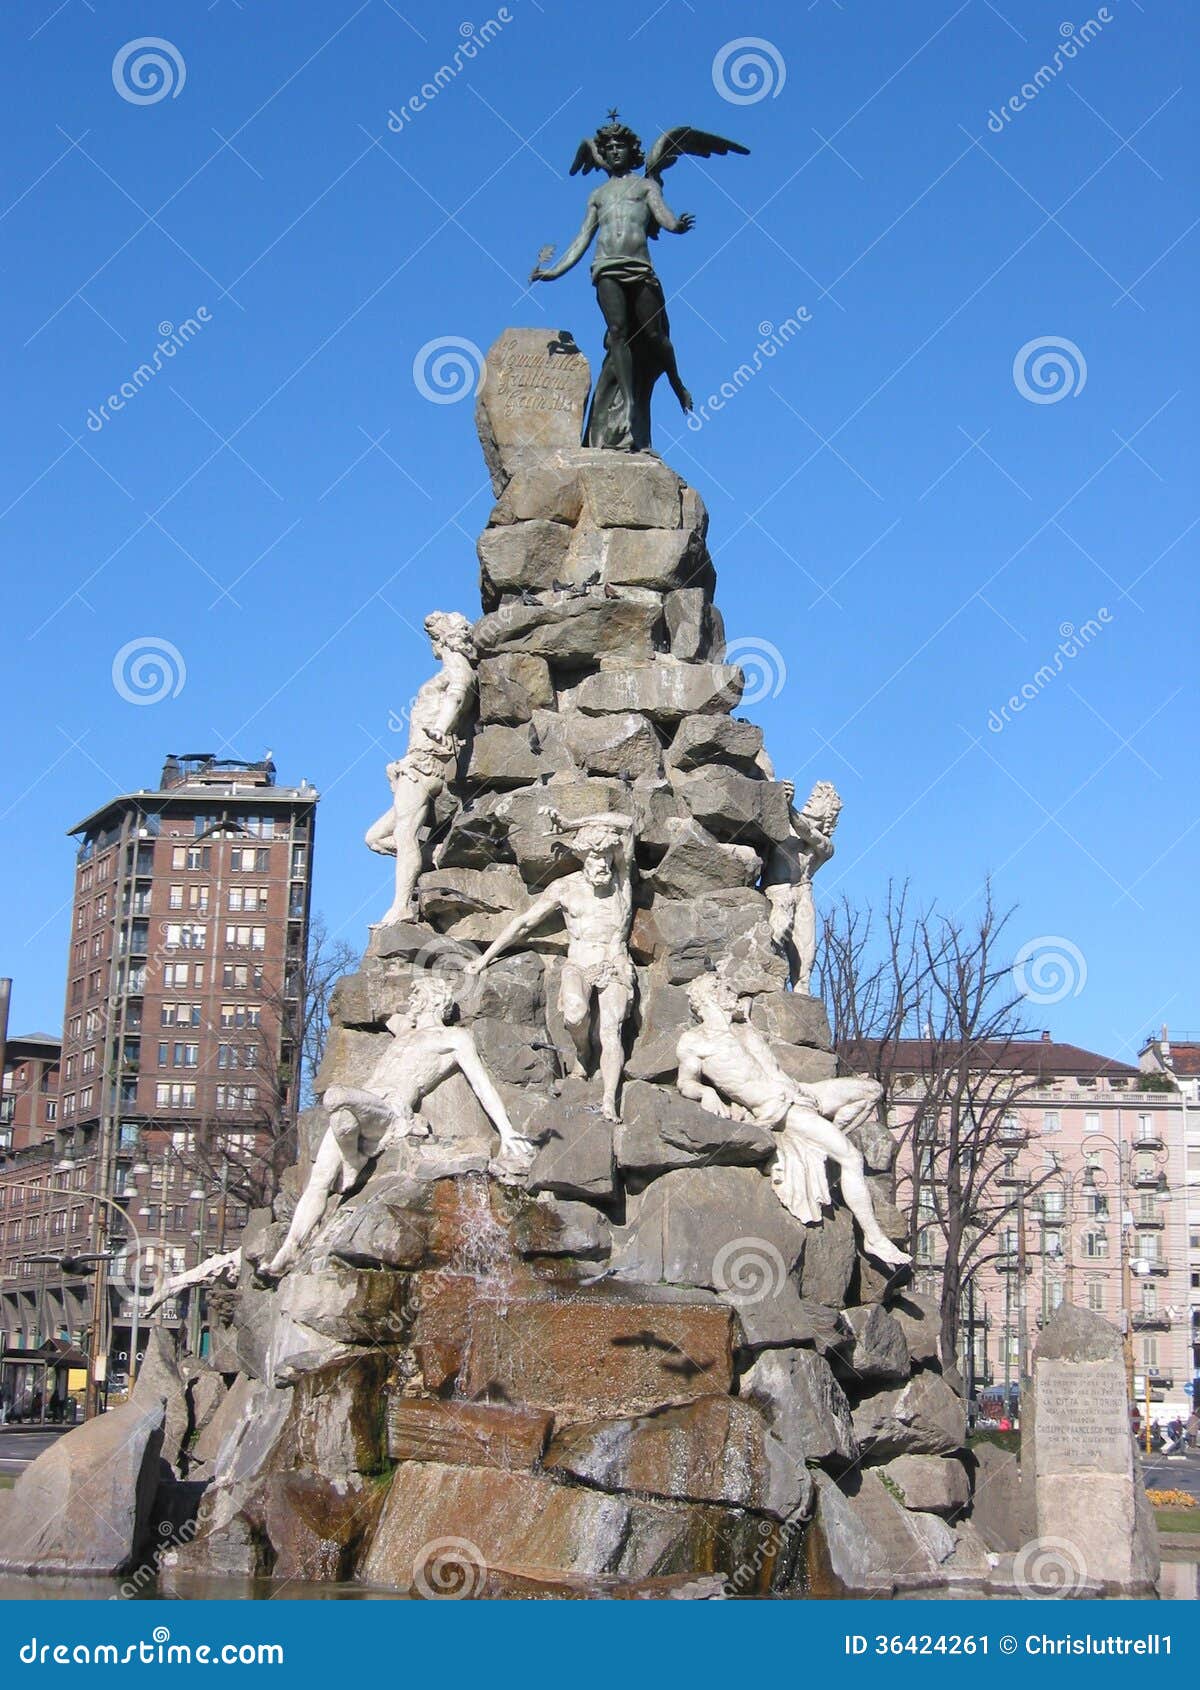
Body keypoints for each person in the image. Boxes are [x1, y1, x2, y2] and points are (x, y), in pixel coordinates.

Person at [264, 976, 536, 1279]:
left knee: (336, 1097)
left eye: (416, 994)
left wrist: (506, 1129)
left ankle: (354, 1161)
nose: (411, 1000)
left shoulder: (454, 1038)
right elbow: (379, 1008)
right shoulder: (405, 1030)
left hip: (390, 1111)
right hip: (362, 1104)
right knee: (320, 1176)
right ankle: (290, 1247)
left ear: (434, 999)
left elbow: (481, 1084)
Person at [675, 973, 909, 1268]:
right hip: (782, 1109)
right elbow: (685, 1082)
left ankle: (821, 1143)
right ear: (711, 996)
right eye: (726, 989)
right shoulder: (696, 1041)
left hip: (802, 1092)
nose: (734, 994)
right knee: (851, 1157)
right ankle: (873, 1237)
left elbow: (768, 1060)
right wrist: (706, 1093)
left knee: (871, 1090)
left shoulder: (744, 1030)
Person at [466, 808, 636, 1122]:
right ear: (583, 858)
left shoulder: (621, 883)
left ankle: (608, 1101)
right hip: (579, 964)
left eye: (607, 858)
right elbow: (523, 924)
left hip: (614, 964)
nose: (602, 864)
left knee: (610, 1031)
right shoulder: (564, 888)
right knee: (575, 1015)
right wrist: (484, 957)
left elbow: (627, 823)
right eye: (595, 858)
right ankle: (583, 1054)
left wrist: (573, 821)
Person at [365, 611, 477, 924]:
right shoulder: (451, 668)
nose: (432, 644)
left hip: (427, 763)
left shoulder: (457, 667)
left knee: (404, 833)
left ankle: (400, 906)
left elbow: (457, 695)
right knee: (374, 838)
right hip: (414, 761)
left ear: (444, 638)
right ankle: (441, 853)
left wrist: (442, 726)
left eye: (434, 637)